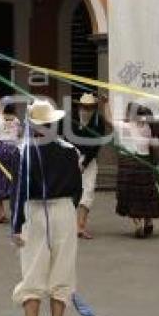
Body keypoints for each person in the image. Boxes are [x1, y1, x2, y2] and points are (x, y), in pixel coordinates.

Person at [11, 99, 82, 316]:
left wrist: (16, 225)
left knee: (32, 273)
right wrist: (68, 209)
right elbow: (77, 189)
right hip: (64, 211)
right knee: (61, 274)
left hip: (34, 213)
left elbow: (17, 192)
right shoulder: (70, 150)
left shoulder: (23, 151)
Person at [109, 99, 159, 238]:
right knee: (146, 194)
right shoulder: (148, 127)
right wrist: (156, 164)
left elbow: (108, 119)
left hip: (128, 164)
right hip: (145, 164)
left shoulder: (124, 126)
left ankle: (138, 224)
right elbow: (156, 147)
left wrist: (104, 103)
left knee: (130, 195)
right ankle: (148, 221)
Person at [67, 93, 105, 239]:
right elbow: (66, 138)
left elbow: (96, 144)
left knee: (88, 191)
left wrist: (84, 163)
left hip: (89, 158)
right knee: (69, 191)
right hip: (70, 157)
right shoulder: (71, 118)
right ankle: (67, 225)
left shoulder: (98, 120)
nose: (86, 110)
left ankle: (80, 226)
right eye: (84, 107)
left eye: (90, 108)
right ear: (79, 106)